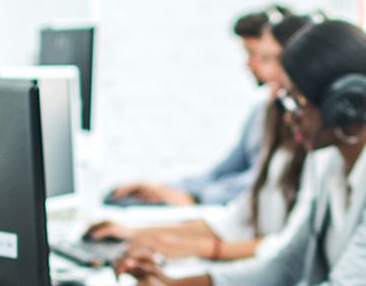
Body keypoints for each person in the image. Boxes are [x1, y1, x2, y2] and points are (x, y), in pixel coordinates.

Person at [116, 20, 366, 286]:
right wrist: (178, 284)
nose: (287, 114)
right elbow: (285, 265)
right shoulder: (328, 162)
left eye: (297, 100)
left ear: (343, 104)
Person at [84, 14, 318, 261]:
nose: (258, 67)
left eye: (267, 58)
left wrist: (194, 237)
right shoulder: (270, 120)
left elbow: (286, 250)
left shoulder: (313, 151)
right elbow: (235, 215)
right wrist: (136, 231)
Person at [107, 5, 292, 206]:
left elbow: (265, 181)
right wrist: (163, 189)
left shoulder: (296, 118)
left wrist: (197, 198)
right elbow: (222, 172)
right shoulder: (260, 113)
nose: (249, 64)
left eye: (257, 55)